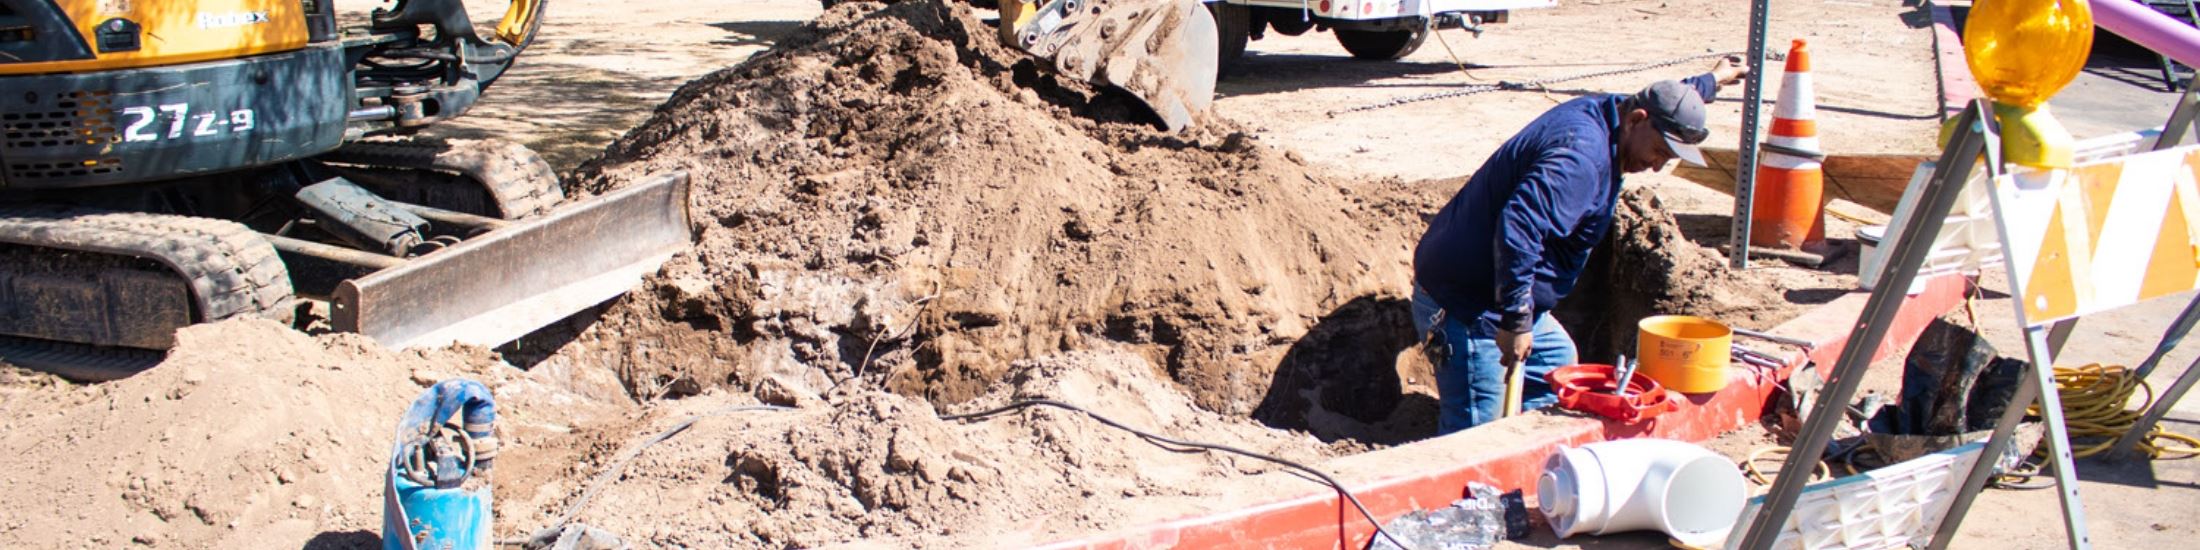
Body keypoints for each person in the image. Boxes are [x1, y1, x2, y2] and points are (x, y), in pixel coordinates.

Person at [1412, 60, 1749, 434]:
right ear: (1637, 120)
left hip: (1499, 292)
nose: (1656, 166)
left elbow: (1670, 100)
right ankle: (1475, 479)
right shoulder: (1581, 159)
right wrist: (1515, 320)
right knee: (1475, 428)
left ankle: (1527, 458)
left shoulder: (1617, 115)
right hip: (1471, 304)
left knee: (1555, 362)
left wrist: (1713, 79)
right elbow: (1520, 228)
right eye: (1658, 152)